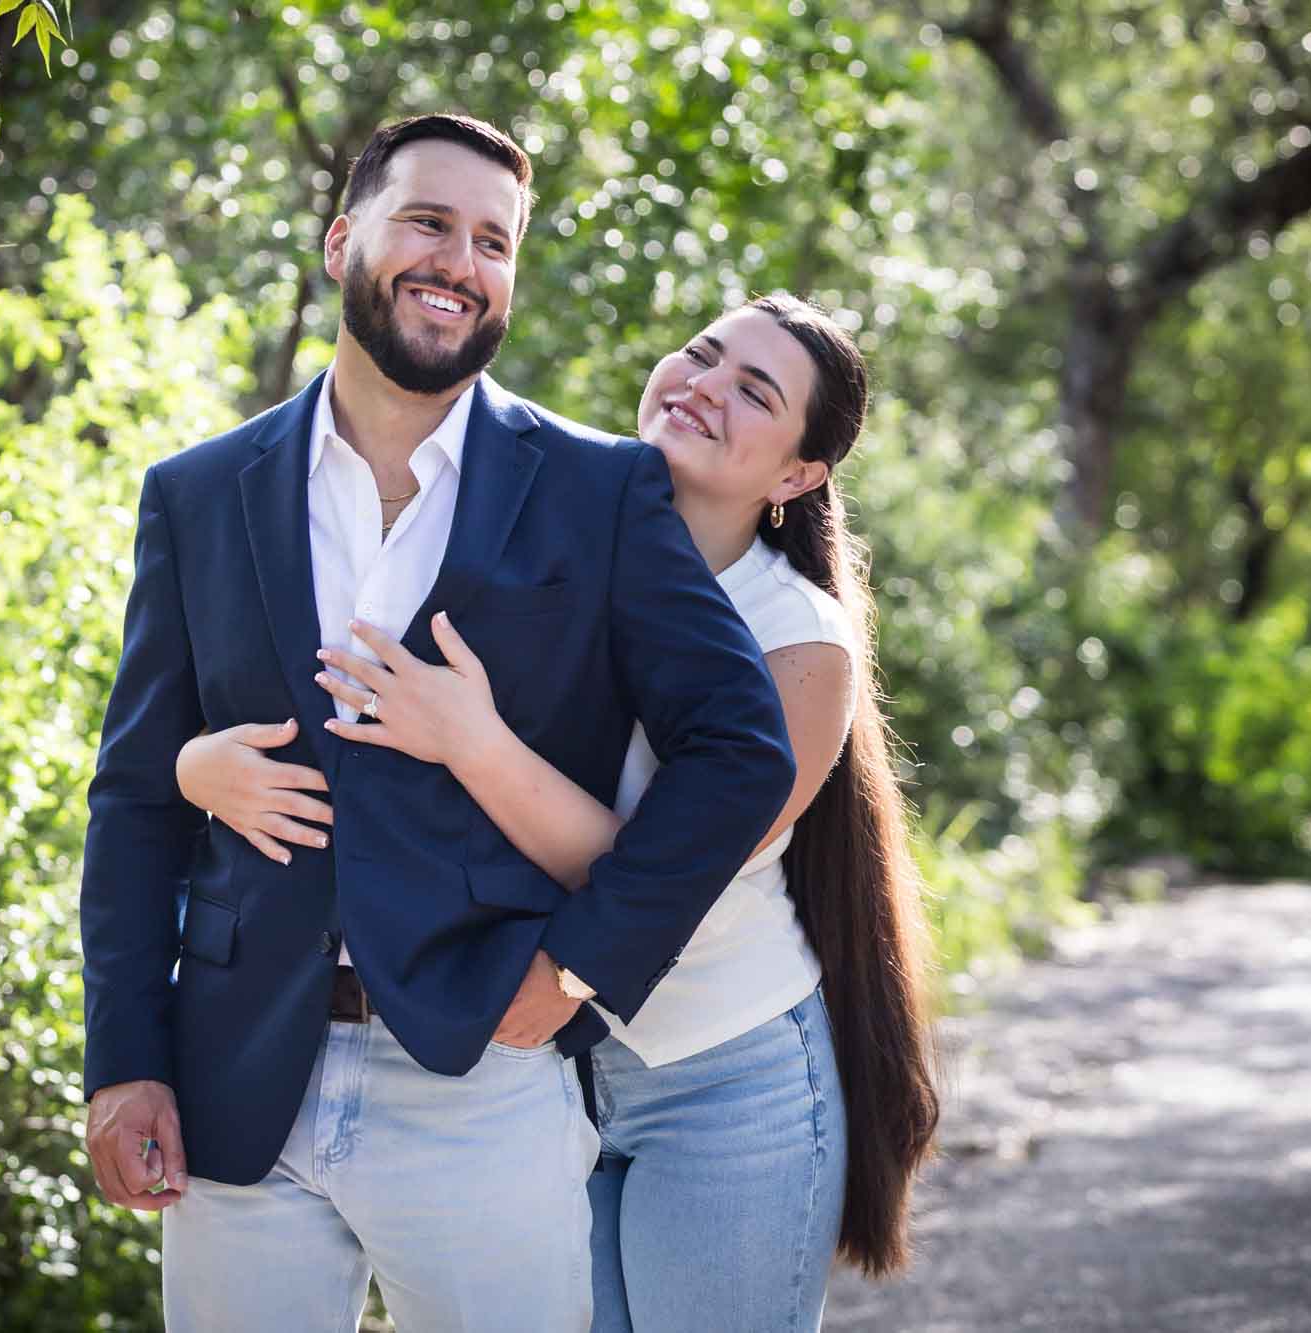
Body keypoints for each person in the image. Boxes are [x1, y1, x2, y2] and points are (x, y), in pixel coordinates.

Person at [78, 113, 798, 1333]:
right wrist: (123, 1059)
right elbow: (138, 797)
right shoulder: (197, 494)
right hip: (234, 1074)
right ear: (341, 239)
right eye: (427, 221)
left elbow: (740, 756)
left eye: (492, 241)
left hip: (477, 1077)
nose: (458, 260)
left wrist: (580, 965)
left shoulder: (598, 490)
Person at [180, 294, 941, 1330]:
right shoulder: (548, 539)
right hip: (537, 1061)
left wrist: (474, 741)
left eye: (754, 391)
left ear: (797, 475)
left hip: (716, 1076)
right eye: (703, 355)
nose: (704, 386)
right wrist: (192, 765)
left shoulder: (798, 642)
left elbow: (663, 867)